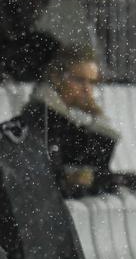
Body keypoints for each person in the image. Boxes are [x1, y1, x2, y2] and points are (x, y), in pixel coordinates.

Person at [17, 44, 119, 197]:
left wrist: (97, 120)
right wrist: (71, 179)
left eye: (91, 82)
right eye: (79, 80)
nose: (86, 89)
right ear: (57, 78)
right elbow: (41, 179)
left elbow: (99, 169)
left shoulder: (70, 119)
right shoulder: (43, 117)